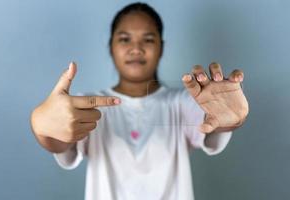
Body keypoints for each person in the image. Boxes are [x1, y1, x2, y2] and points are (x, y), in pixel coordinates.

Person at [30, 2, 249, 200]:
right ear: (111, 47)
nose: (136, 48)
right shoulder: (86, 106)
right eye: (125, 39)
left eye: (148, 39)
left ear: (161, 48)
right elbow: (60, 141)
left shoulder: (181, 103)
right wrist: (41, 126)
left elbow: (214, 124)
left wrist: (230, 120)